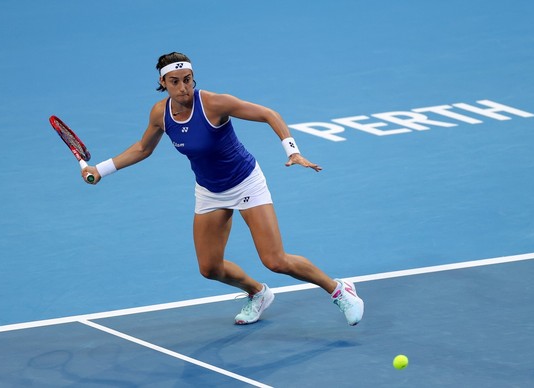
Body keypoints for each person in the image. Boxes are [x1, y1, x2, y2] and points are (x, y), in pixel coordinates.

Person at [83, 52, 364, 326]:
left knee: (275, 260)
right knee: (210, 268)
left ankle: (339, 289)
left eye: (188, 79)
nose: (183, 87)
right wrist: (101, 170)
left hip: (245, 182)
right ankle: (258, 293)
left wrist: (293, 151)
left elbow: (269, 114)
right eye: (175, 81)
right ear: (163, 85)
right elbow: (143, 148)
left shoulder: (214, 104)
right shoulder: (161, 113)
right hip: (209, 191)